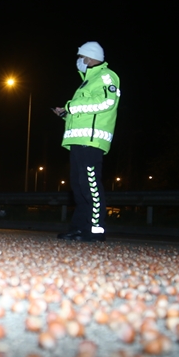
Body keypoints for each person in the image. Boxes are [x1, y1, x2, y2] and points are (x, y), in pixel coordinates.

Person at [53, 40, 120, 242]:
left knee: (90, 185)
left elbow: (107, 102)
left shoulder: (106, 76)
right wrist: (66, 113)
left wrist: (71, 106)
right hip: (79, 140)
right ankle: (79, 228)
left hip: (92, 141)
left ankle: (96, 230)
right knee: (79, 187)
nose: (79, 61)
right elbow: (86, 112)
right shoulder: (87, 81)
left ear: (89, 57)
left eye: (80, 57)